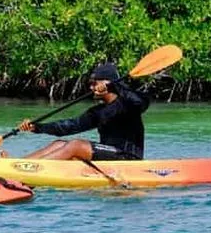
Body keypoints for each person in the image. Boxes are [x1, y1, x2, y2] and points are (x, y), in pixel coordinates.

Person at [15, 63, 149, 160]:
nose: (91, 88)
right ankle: (18, 165)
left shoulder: (128, 105)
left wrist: (115, 86)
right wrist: (37, 127)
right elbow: (70, 126)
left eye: (94, 83)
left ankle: (30, 171)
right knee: (59, 144)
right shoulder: (98, 112)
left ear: (107, 84)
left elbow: (142, 101)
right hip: (107, 155)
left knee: (76, 145)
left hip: (128, 157)